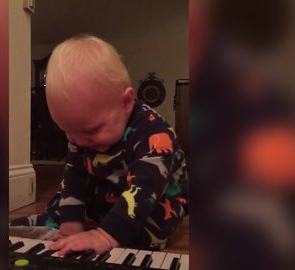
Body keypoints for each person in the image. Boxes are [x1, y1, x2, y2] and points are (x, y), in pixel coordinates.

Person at [10, 35, 188, 256]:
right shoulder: (79, 135)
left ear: (126, 102)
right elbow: (75, 175)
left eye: (91, 130)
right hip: (108, 191)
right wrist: (71, 223)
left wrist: (104, 236)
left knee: (153, 230)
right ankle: (54, 222)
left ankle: (111, 228)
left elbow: (147, 187)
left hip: (155, 197)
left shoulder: (154, 133)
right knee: (64, 199)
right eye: (67, 131)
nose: (79, 141)